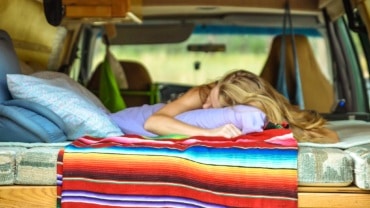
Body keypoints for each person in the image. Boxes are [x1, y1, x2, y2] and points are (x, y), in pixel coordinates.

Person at [144, 69, 339, 143]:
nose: (204, 107)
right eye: (209, 98)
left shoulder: (259, 116)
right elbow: (153, 122)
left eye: (212, 105)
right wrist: (208, 133)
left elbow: (332, 136)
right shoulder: (202, 93)